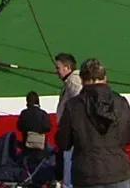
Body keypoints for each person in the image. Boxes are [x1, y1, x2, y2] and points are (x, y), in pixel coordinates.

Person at [54, 58, 130, 188]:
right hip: (117, 172)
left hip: (86, 174)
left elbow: (63, 142)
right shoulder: (121, 102)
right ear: (105, 77)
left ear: (82, 79)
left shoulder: (73, 106)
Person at [55, 53, 82, 188]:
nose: (56, 71)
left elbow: (79, 102)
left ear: (67, 68)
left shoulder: (73, 81)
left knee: (68, 162)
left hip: (71, 132)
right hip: (71, 130)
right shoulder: (70, 81)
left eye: (58, 67)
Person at [17, 90, 53, 162]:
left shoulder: (24, 113)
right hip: (41, 148)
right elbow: (47, 127)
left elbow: (19, 126)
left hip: (27, 147)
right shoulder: (43, 114)